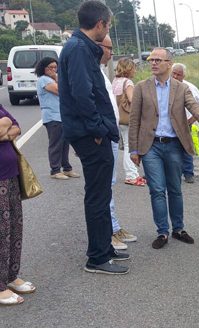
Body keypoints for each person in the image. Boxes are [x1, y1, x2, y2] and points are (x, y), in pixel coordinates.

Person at [59, 0, 128, 275]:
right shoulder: (78, 50)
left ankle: (104, 250)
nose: (107, 29)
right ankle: (97, 258)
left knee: (101, 193)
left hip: (92, 132)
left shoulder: (82, 48)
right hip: (91, 135)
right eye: (108, 25)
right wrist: (98, 130)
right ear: (99, 24)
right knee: (98, 196)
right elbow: (81, 96)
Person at [128, 48, 199, 249]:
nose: (153, 63)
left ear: (169, 63)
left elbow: (194, 106)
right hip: (151, 146)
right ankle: (162, 232)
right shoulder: (142, 87)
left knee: (175, 189)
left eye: (158, 60)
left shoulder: (181, 88)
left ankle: (178, 228)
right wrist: (133, 150)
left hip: (174, 146)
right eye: (151, 60)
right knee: (157, 190)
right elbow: (134, 120)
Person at [99, 35, 137, 249]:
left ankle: (113, 227)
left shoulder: (109, 77)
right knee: (105, 185)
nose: (112, 53)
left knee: (109, 184)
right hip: (106, 133)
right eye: (109, 48)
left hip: (113, 129)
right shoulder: (95, 70)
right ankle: (109, 232)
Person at [0, 108, 35, 305]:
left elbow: (16, 126)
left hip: (10, 174)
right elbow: (7, 124)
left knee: (14, 227)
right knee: (1, 231)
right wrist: (5, 125)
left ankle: (10, 275)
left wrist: (5, 126)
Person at [35, 57, 80, 180]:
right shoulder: (43, 80)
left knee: (65, 144)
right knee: (56, 144)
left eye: (55, 67)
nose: (53, 70)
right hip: (52, 116)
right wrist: (56, 78)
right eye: (51, 67)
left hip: (61, 116)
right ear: (44, 68)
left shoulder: (53, 79)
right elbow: (60, 91)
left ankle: (67, 168)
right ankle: (55, 170)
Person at [112, 57, 146, 187]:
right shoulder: (128, 82)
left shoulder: (115, 81)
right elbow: (133, 100)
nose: (135, 70)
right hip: (128, 118)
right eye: (134, 68)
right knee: (130, 146)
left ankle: (132, 174)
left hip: (118, 118)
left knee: (126, 144)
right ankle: (132, 175)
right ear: (129, 69)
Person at [171, 63, 199, 184]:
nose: (175, 76)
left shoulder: (188, 87)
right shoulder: (165, 85)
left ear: (183, 75)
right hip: (169, 122)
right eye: (173, 73)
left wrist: (192, 119)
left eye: (178, 74)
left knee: (186, 146)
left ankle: (188, 173)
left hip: (185, 122)